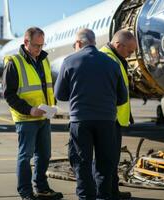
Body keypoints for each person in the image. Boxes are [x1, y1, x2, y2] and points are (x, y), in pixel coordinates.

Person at [54, 29, 127, 200]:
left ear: (79, 43)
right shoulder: (112, 63)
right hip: (107, 122)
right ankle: (104, 197)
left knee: (82, 164)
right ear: (93, 42)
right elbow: (122, 97)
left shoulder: (69, 61)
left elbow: (60, 95)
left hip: (81, 121)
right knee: (105, 164)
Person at [2, 27, 63, 200]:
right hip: (26, 118)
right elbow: (9, 95)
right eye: (36, 45)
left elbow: (46, 88)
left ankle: (42, 188)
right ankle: (26, 193)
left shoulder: (44, 60)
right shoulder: (14, 62)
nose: (39, 49)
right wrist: (30, 110)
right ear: (26, 42)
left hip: (44, 116)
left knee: (44, 155)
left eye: (42, 45)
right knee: (25, 156)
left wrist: (53, 106)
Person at [99, 29, 137, 199]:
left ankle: (113, 191)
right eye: (129, 51)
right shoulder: (104, 58)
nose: (130, 55)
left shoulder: (116, 58)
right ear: (118, 45)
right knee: (105, 160)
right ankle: (104, 194)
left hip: (115, 119)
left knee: (113, 159)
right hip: (107, 118)